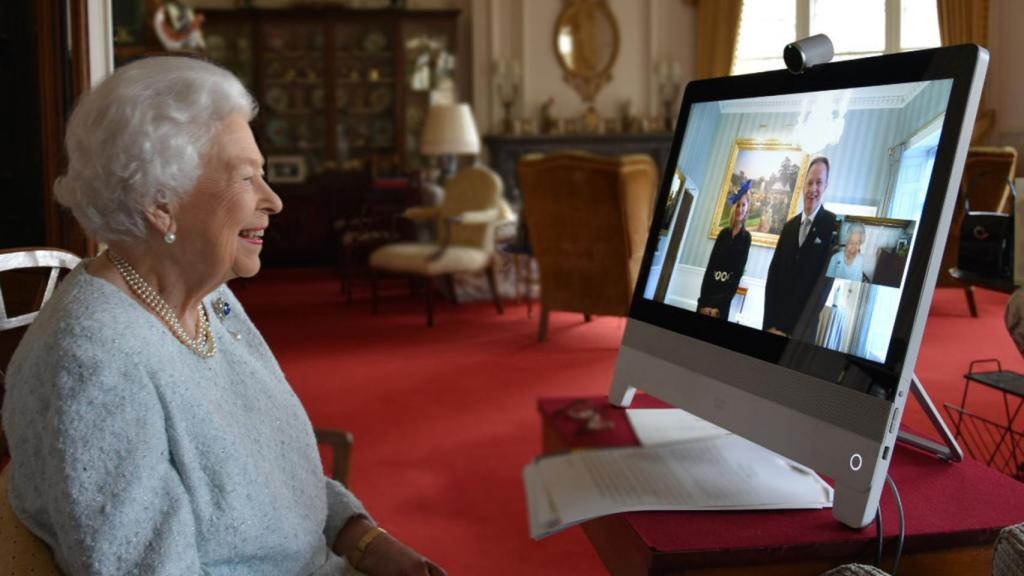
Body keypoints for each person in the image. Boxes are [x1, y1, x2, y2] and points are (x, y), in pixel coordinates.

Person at [2, 57, 445, 576]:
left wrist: (362, 538)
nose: (273, 201)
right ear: (159, 203)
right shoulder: (93, 365)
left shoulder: (208, 301)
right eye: (246, 178)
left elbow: (275, 475)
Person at [762, 156, 838, 339]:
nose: (813, 189)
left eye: (819, 183)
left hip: (802, 333)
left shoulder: (833, 225)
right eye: (810, 182)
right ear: (803, 185)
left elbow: (823, 287)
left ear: (826, 186)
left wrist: (796, 333)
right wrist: (769, 325)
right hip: (774, 328)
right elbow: (773, 278)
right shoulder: (789, 227)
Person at [698, 180, 752, 319]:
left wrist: (720, 306)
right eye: (738, 205)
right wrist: (703, 302)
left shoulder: (746, 238)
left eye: (743, 205)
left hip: (723, 301)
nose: (740, 209)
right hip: (709, 292)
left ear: (747, 208)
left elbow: (737, 274)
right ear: (734, 207)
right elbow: (711, 267)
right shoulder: (723, 234)